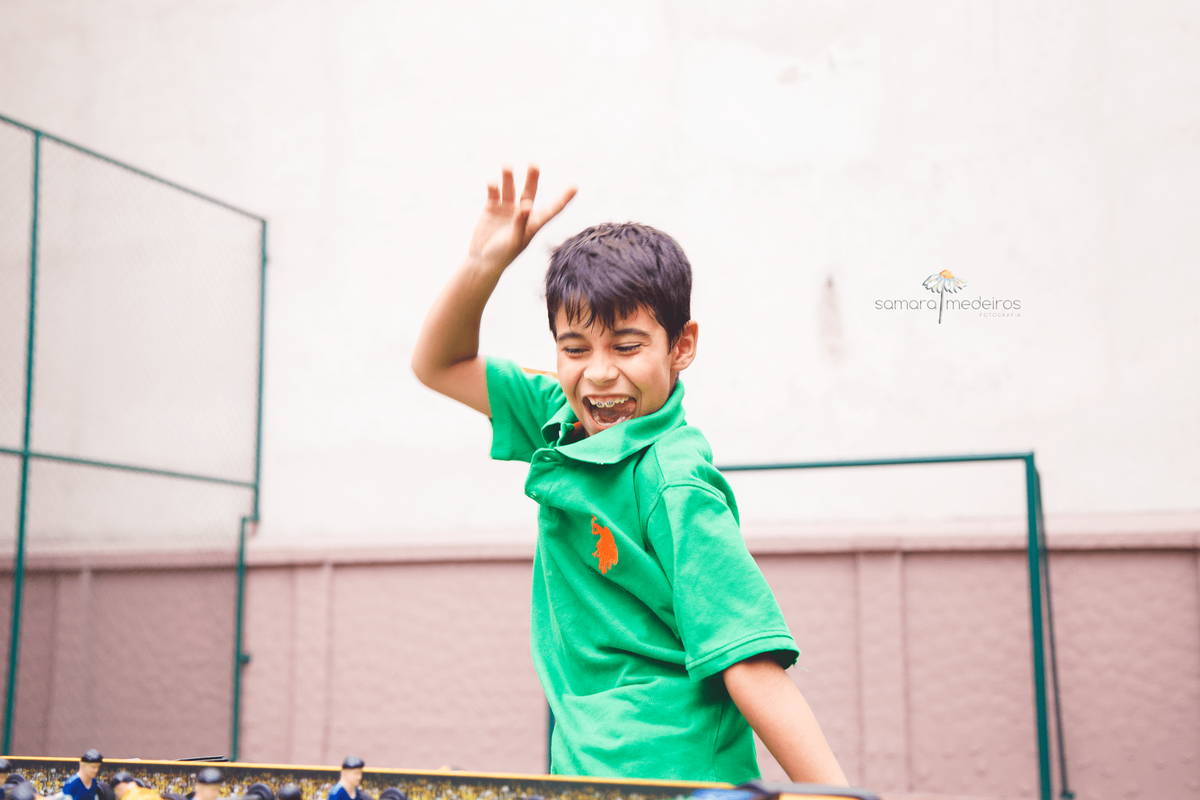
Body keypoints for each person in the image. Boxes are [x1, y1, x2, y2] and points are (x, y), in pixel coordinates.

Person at [411, 167, 848, 785]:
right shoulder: (559, 419)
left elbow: (746, 659)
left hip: (680, 774)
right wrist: (483, 265)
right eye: (576, 347)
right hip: (587, 769)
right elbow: (439, 363)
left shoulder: (674, 482)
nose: (599, 373)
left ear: (681, 346)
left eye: (626, 345)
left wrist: (834, 792)